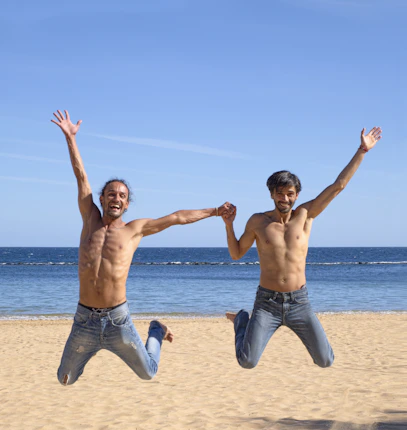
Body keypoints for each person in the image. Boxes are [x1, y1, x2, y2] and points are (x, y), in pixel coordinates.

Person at [51, 109, 232, 385]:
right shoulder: (89, 219)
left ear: (127, 203)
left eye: (122, 196)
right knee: (65, 379)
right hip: (84, 319)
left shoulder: (134, 229)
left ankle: (156, 330)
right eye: (111, 193)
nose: (116, 198)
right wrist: (71, 139)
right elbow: (80, 176)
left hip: (117, 320)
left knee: (148, 372)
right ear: (101, 198)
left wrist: (215, 211)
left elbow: (177, 217)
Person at [222, 126, 382, 369]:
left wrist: (362, 150)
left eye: (289, 194)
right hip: (266, 304)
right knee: (247, 361)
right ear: (272, 195)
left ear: (296, 195)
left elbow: (338, 185)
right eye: (279, 194)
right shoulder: (258, 221)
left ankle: (249, 319)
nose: (284, 199)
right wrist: (229, 224)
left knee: (326, 360)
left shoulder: (306, 215)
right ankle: (242, 319)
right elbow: (236, 254)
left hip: (299, 302)